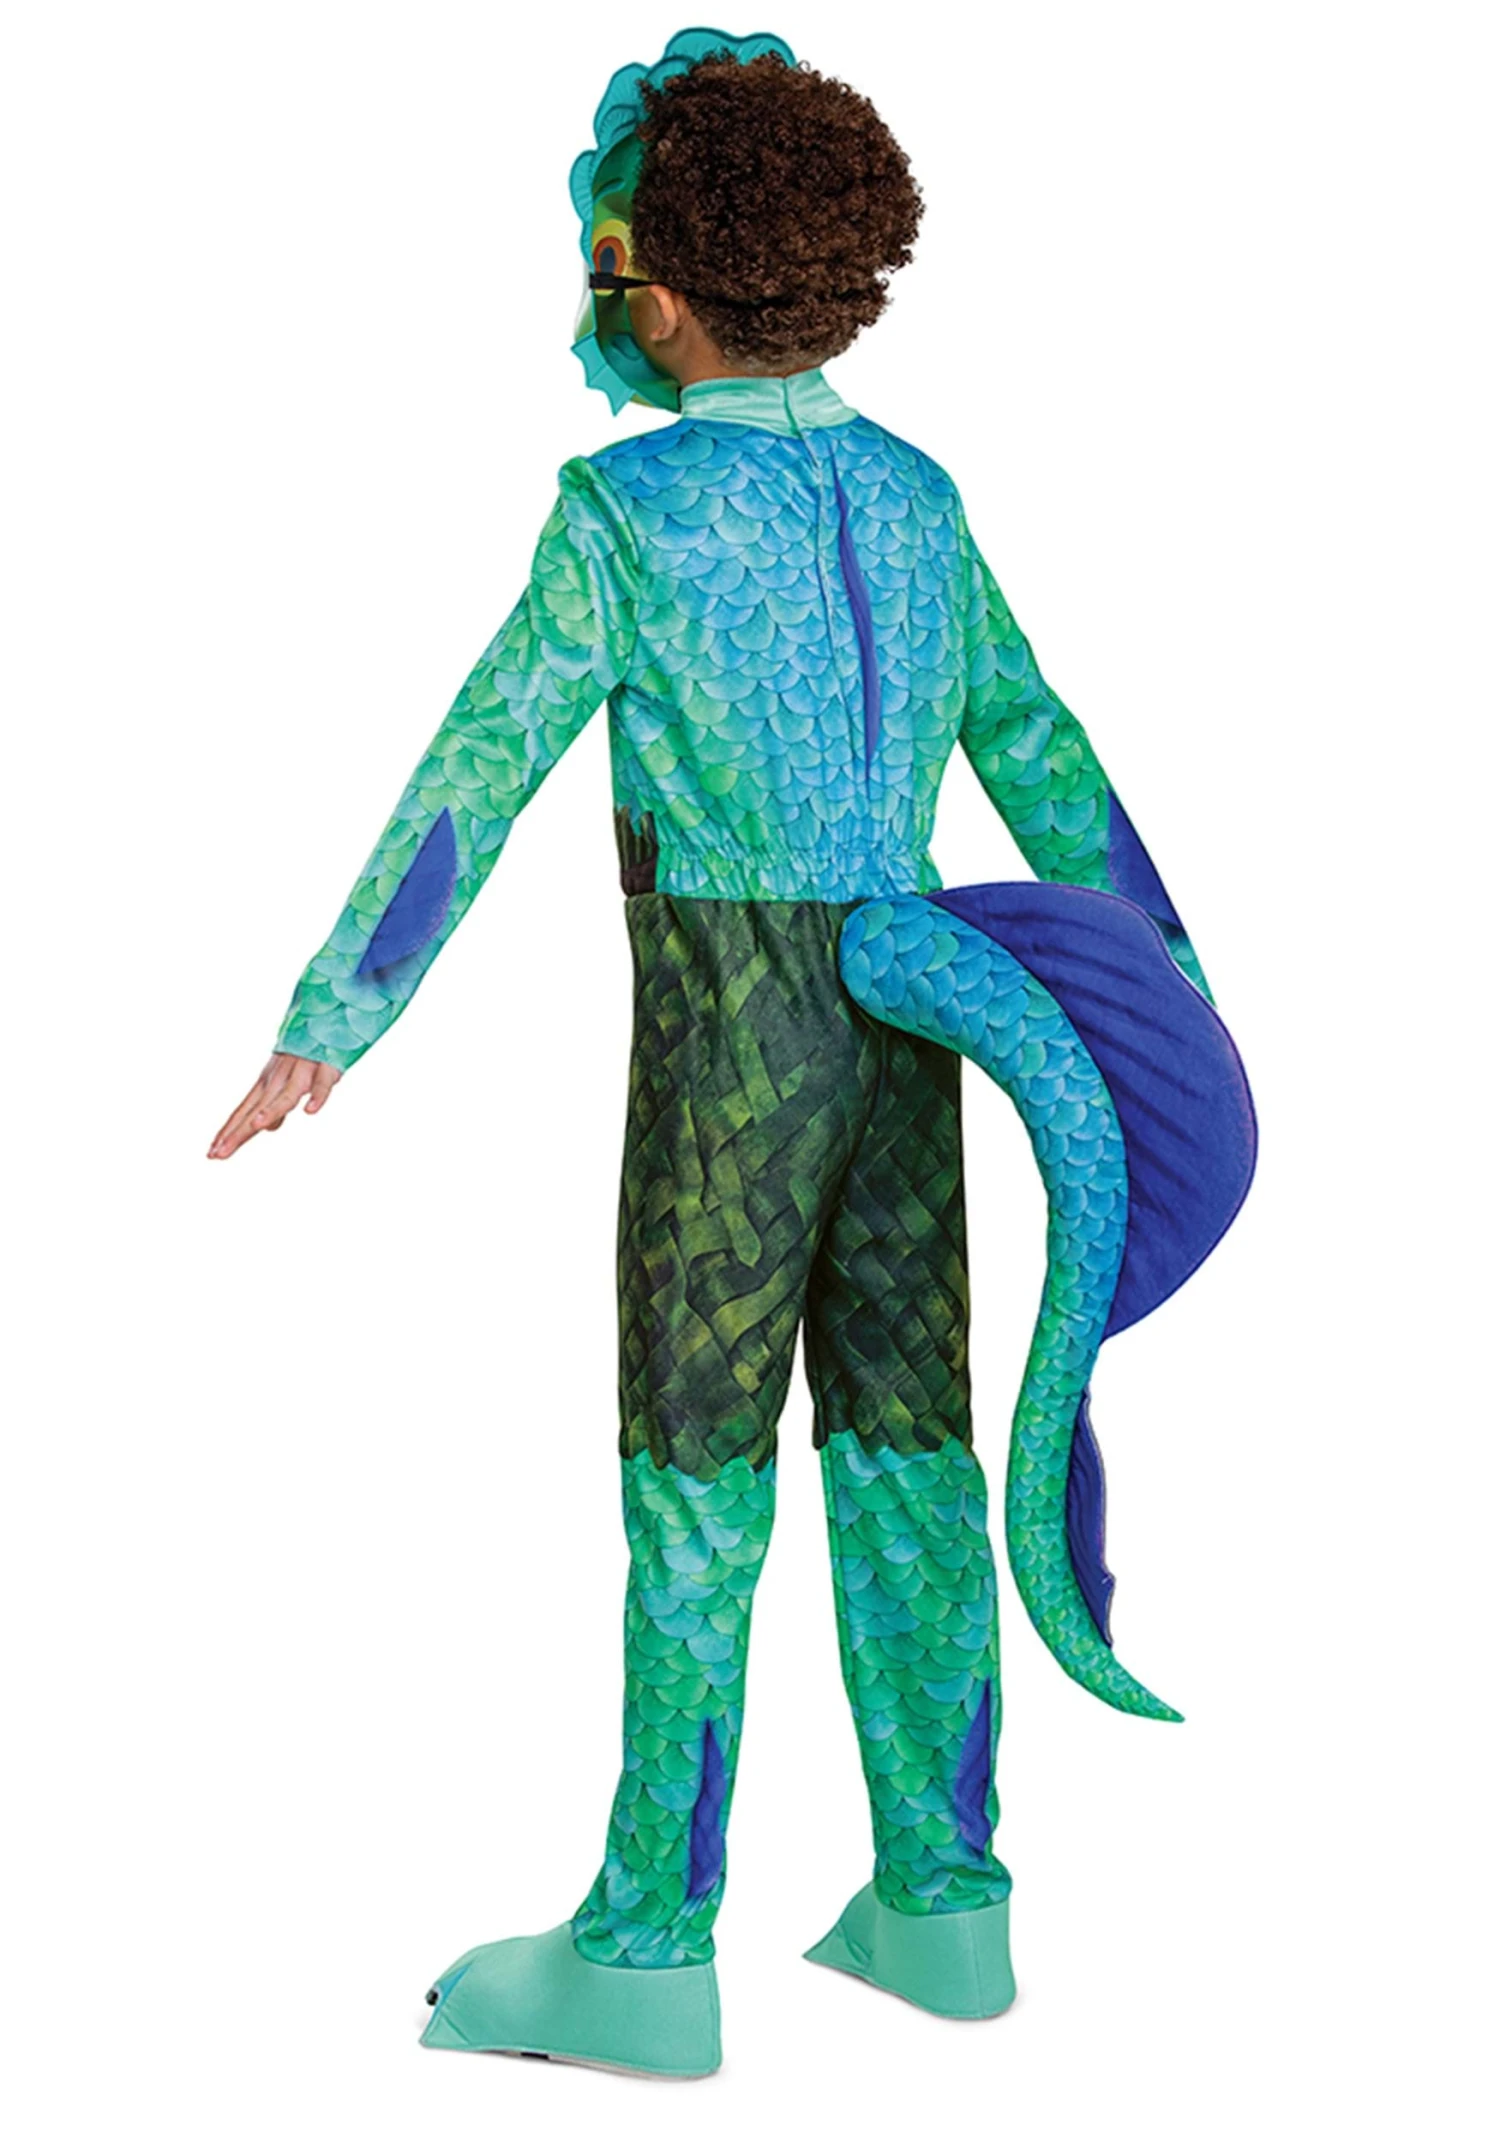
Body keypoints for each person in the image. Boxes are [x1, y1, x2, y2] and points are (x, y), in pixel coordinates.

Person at [208, 32, 1233, 2078]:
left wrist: (334, 1014)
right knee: (913, 1450)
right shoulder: (920, 497)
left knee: (696, 1477)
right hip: (921, 1008)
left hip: (736, 1042)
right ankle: (947, 1906)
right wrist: (1173, 985)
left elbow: (479, 772)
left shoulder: (623, 513)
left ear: (654, 290)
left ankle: (648, 1947)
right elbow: (1043, 752)